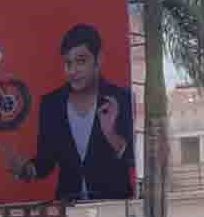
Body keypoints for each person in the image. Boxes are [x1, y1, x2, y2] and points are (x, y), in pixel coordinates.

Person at [16, 22, 138, 202]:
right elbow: (45, 161)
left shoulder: (121, 99)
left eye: (81, 61)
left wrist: (110, 133)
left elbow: (133, 160)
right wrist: (26, 170)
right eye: (68, 63)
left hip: (114, 205)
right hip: (68, 208)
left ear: (99, 60)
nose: (73, 71)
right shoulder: (51, 104)